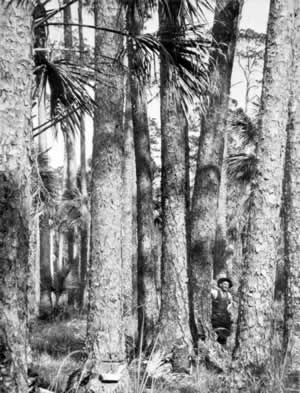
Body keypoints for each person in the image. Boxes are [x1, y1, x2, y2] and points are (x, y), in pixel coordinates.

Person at [211, 277, 233, 345]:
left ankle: (222, 348)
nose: (226, 286)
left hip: (225, 318)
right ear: (220, 285)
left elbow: (230, 304)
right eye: (224, 284)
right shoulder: (215, 292)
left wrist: (229, 312)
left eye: (227, 285)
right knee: (214, 333)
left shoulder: (229, 295)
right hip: (215, 317)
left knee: (224, 334)